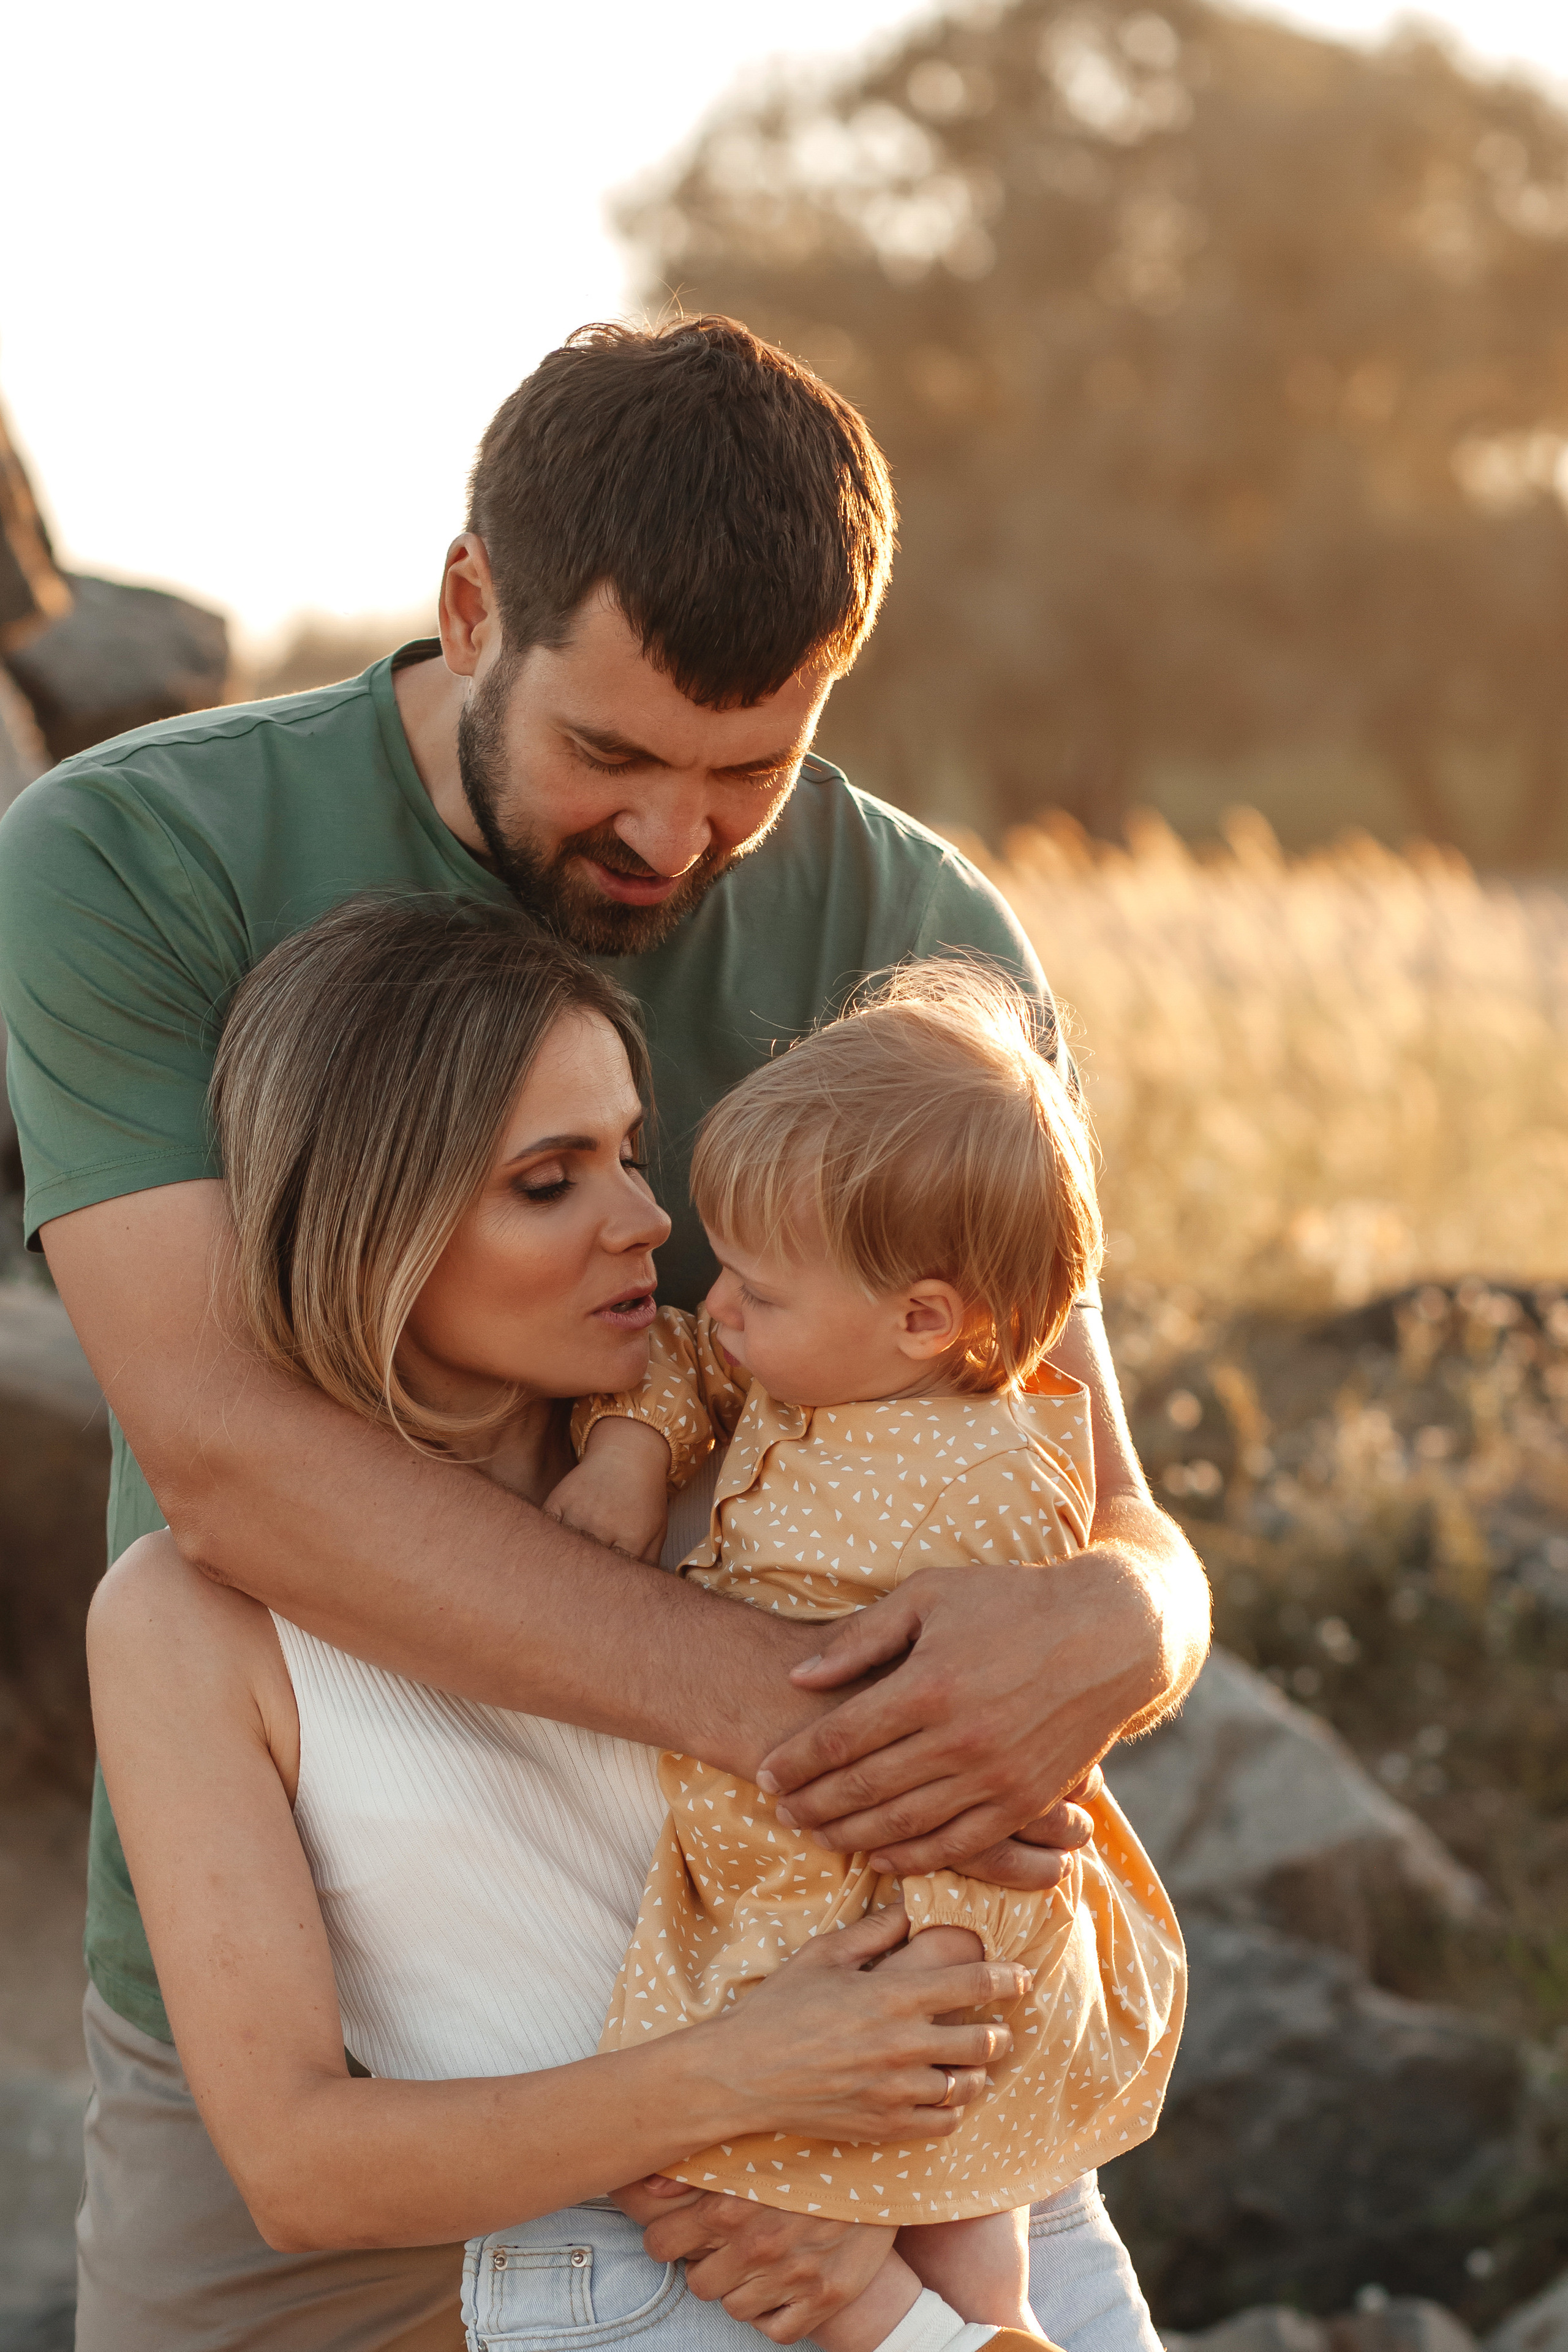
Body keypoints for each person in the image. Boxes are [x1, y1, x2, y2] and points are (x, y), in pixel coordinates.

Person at [0, 314, 1209, 2351]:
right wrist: (837, 1741)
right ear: (472, 607)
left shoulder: (918, 939)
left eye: (751, 772)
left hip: (800, 1980)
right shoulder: (138, 856)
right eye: (614, 757)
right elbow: (223, 1456)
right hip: (315, 1978)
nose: (672, 839)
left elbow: (1094, 1488)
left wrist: (1129, 1627)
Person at [91, 894, 1047, 2352]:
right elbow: (296, 2169)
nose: (646, 1222)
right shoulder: (190, 1619)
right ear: (371, 1225)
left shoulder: (780, 1459)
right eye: (548, 1181)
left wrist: (898, 2200)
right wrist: (744, 2082)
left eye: (630, 1154)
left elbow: (1033, 1861)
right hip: (647, 2289)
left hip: (981, 2211)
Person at [556, 959, 1185, 2345]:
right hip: (776, 1882)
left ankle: (977, 2326)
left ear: (923, 1319)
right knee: (693, 2177)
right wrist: (628, 1455)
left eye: (758, 1289)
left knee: (945, 2198)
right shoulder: (813, 1356)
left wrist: (924, 2004)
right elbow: (686, 1358)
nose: (719, 1305)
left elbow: (980, 1768)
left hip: (913, 1920)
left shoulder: (994, 1489)